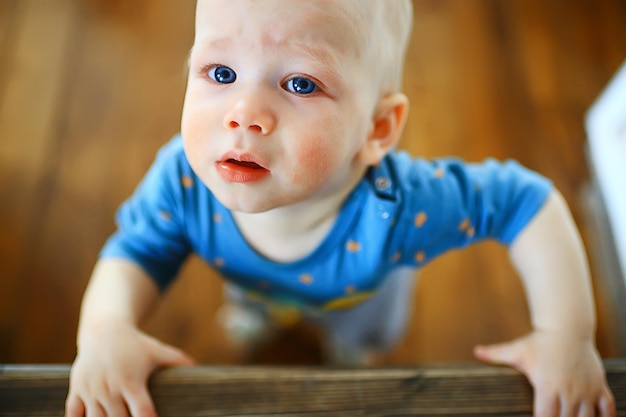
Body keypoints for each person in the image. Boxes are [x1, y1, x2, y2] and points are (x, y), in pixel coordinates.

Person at [65, 0, 616, 416]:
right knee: (253, 305)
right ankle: (257, 317)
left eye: (300, 83)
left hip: (361, 303)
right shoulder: (184, 180)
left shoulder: (399, 209)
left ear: (377, 130)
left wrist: (566, 336)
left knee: (366, 339)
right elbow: (138, 249)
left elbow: (526, 202)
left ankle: (354, 350)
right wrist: (106, 328)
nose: (243, 114)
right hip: (250, 282)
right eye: (221, 73)